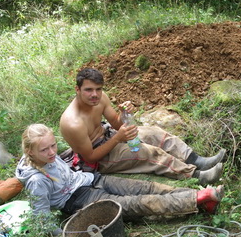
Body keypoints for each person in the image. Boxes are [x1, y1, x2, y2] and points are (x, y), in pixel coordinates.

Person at [15, 124, 224, 234]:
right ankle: (197, 198)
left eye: (53, 145)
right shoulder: (37, 181)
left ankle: (199, 201)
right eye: (44, 149)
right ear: (30, 152)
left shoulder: (46, 156)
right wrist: (66, 236)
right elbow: (40, 218)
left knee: (145, 187)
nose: (52, 152)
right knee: (136, 204)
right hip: (79, 202)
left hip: (91, 180)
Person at [59, 68, 225, 185]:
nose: (94, 94)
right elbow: (90, 157)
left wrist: (124, 114)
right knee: (147, 152)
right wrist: (118, 138)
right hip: (100, 158)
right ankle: (196, 175)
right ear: (78, 89)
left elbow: (117, 124)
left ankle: (198, 161)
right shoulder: (72, 122)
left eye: (98, 89)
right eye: (88, 90)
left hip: (109, 135)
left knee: (155, 134)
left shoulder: (100, 99)